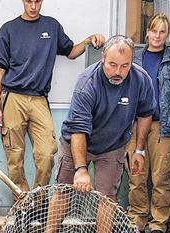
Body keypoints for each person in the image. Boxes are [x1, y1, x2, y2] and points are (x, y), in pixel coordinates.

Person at [0, 0, 105, 193]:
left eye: (37, 1)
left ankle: (38, 201)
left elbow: (70, 52)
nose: (33, 7)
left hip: (39, 98)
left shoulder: (51, 26)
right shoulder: (8, 30)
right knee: (14, 157)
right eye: (29, 1)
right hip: (12, 97)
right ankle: (23, 206)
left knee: (45, 154)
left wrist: (89, 39)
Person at [47, 35, 155, 232]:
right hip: (77, 142)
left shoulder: (141, 80)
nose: (118, 72)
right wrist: (81, 169)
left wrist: (140, 150)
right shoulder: (87, 83)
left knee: (107, 196)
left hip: (113, 145)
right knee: (63, 191)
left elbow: (146, 113)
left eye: (125, 66)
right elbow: (79, 129)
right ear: (103, 57)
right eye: (112, 64)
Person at [126, 13, 170, 233]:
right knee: (137, 176)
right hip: (135, 125)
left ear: (167, 34)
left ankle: (158, 223)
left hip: (164, 125)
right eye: (154, 31)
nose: (157, 36)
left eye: (162, 32)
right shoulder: (134, 57)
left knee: (161, 178)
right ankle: (137, 217)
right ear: (147, 32)